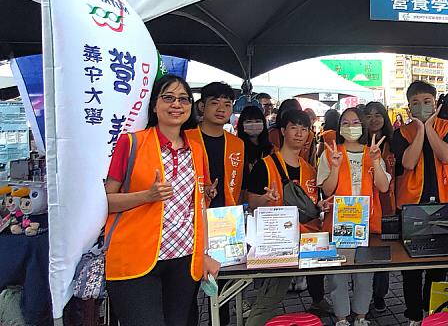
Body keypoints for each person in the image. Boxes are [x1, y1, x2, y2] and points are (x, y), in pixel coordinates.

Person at [103, 75, 219, 326]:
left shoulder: (196, 149)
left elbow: (198, 206)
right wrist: (147, 196)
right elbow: (105, 201)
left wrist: (205, 254)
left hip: (184, 259)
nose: (176, 104)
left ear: (191, 107)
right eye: (168, 98)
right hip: (135, 258)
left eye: (183, 99)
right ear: (154, 105)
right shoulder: (132, 142)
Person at [245, 109, 329, 325]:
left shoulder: (310, 169)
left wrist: (319, 206)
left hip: (308, 243)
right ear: (282, 131)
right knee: (271, 297)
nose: (299, 133)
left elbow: (310, 206)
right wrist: (266, 198)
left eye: (304, 129)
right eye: (294, 127)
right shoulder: (265, 165)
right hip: (277, 243)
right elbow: (251, 203)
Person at [391, 81, 448, 325]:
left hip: (444, 204)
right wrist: (419, 129)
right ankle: (413, 316)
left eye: (427, 102)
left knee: (438, 266)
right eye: (416, 103)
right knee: (411, 267)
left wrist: (430, 127)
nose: (422, 106)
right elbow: (408, 162)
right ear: (409, 106)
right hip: (411, 206)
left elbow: (446, 156)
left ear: (436, 103)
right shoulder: (400, 133)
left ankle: (433, 314)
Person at [318, 107, 391, 326]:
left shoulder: (373, 151)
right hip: (339, 225)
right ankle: (341, 318)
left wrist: (377, 162)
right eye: (346, 123)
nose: (351, 127)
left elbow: (383, 186)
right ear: (340, 127)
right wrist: (335, 166)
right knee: (338, 274)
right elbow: (327, 190)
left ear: (364, 125)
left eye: (356, 122)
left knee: (364, 275)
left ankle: (361, 316)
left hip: (366, 225)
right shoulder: (331, 152)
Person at [184, 82, 245, 325]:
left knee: (223, 285)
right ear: (201, 106)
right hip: (190, 222)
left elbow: (238, 187)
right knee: (187, 287)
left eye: (227, 104)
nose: (221, 109)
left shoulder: (236, 144)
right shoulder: (186, 138)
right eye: (215, 103)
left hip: (224, 223)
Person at [363, 101, 396, 313]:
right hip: (364, 207)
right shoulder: (357, 143)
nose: (374, 119)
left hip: (390, 204)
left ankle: (379, 295)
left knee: (383, 254)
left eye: (378, 115)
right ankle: (362, 297)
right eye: (369, 115)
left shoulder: (395, 142)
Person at [236, 106, 274, 174]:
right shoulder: (236, 149)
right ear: (241, 125)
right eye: (248, 122)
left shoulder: (271, 149)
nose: (253, 125)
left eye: (257, 121)